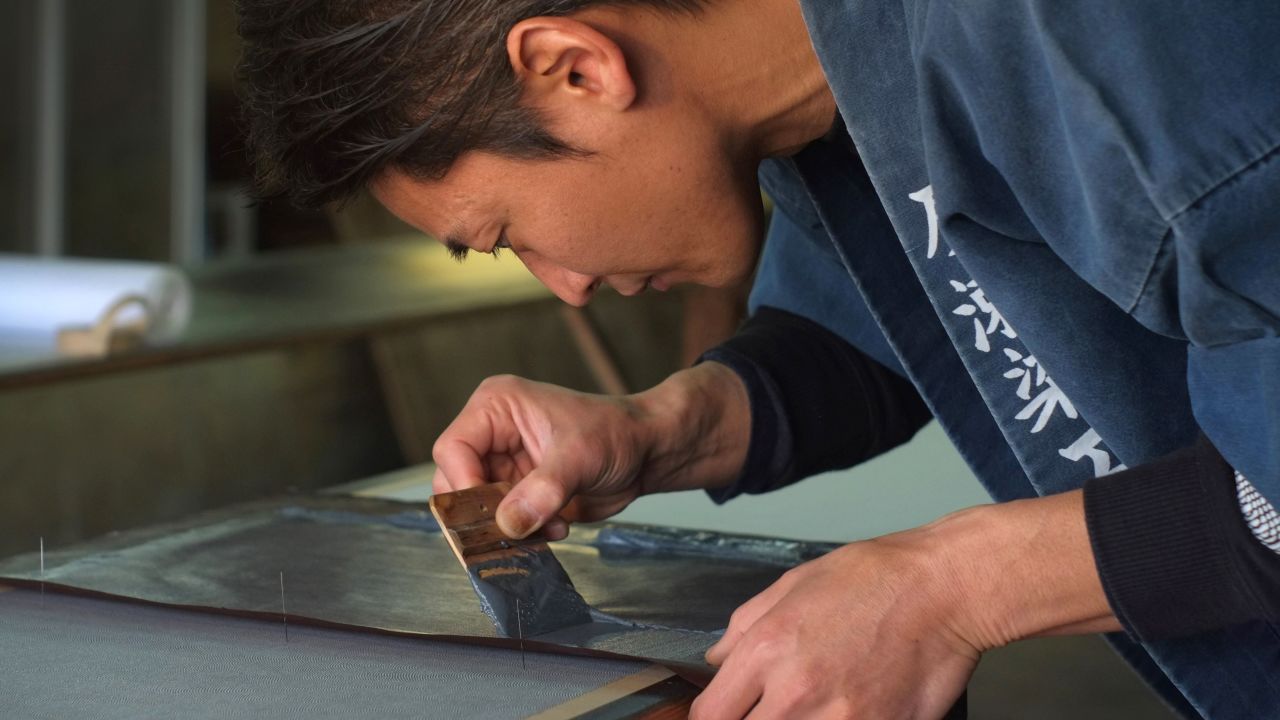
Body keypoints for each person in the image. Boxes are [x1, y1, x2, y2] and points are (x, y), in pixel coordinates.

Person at [236, 0, 1280, 717]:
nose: (560, 285)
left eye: (507, 232)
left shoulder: (1097, 39)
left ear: (574, 68)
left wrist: (947, 587)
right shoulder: (831, 96)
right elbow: (902, 331)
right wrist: (659, 429)